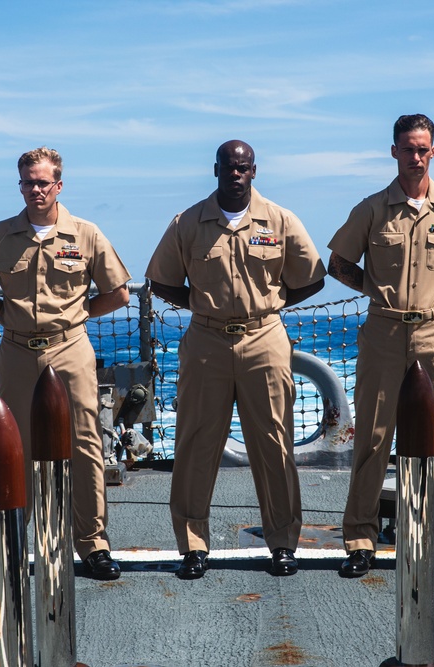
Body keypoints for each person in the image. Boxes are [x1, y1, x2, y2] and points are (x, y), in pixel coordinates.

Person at [146, 140, 326, 579]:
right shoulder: (188, 222)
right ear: (216, 170)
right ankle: (192, 546)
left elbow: (313, 278)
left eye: (243, 168)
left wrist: (273, 301)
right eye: (229, 167)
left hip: (264, 339)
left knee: (274, 443)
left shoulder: (280, 220)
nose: (236, 174)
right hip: (206, 341)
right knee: (195, 444)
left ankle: (282, 543)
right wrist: (203, 306)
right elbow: (161, 281)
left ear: (254, 171)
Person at [328, 114, 434, 577]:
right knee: (375, 437)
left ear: (433, 153)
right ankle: (360, 538)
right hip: (382, 332)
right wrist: (381, 293)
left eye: (423, 149)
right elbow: (340, 263)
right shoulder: (373, 209)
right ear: (394, 152)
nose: (415, 157)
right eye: (408, 148)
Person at [0, 147, 130, 581]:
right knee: (14, 447)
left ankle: (93, 545)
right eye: (27, 182)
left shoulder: (86, 234)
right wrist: (9, 317)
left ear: (59, 185)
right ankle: (13, 545)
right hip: (17, 352)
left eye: (42, 182)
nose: (35, 189)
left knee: (85, 444)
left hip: (70, 349)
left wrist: (75, 318)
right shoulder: (0, 235)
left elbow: (119, 293)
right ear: (20, 185)